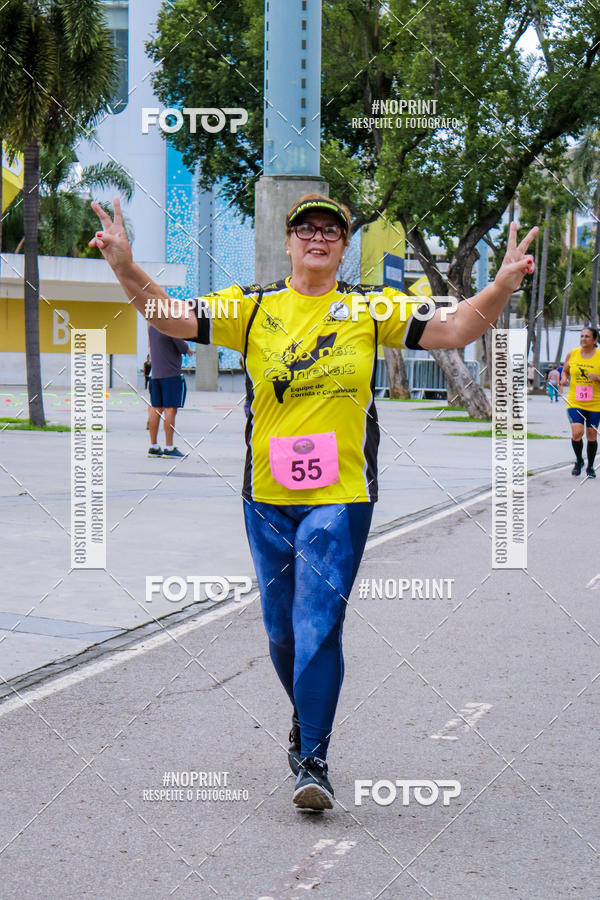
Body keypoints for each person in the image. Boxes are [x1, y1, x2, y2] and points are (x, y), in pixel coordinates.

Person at [90, 194, 537, 812]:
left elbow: (456, 326)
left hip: (342, 496)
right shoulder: (252, 306)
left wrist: (503, 283)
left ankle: (314, 760)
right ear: (289, 240)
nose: (319, 237)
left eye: (332, 230)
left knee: (317, 622)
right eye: (307, 228)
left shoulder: (369, 306)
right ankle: (305, 719)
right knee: (280, 631)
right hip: (267, 496)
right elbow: (172, 317)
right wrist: (123, 264)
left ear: (344, 245)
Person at [561, 326, 600, 477]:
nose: (583, 339)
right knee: (577, 432)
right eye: (582, 336)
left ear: (595, 340)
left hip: (595, 402)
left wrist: (597, 378)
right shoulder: (573, 353)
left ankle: (590, 466)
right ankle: (579, 460)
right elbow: (565, 371)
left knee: (591, 434)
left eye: (587, 336)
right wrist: (564, 379)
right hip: (575, 400)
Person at [147, 323, 189, 458]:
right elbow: (182, 347)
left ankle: (153, 447)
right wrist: (188, 347)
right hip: (171, 374)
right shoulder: (171, 326)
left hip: (155, 375)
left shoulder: (152, 327)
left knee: (155, 408)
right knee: (170, 409)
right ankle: (169, 448)